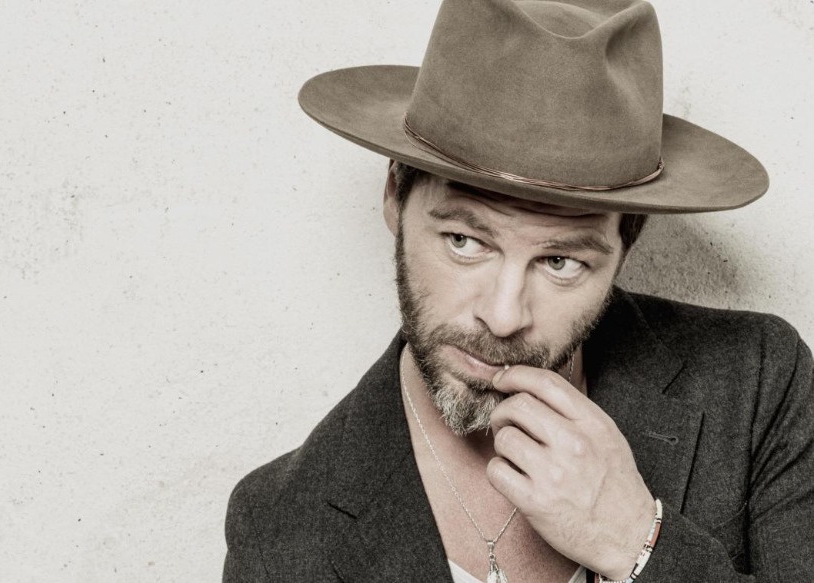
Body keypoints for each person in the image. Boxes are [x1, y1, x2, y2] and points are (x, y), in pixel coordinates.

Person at [223, 0, 814, 581]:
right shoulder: (277, 533)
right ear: (395, 197)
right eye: (464, 241)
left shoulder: (757, 383)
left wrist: (638, 543)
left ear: (624, 245)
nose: (503, 317)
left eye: (559, 261)